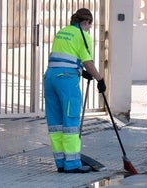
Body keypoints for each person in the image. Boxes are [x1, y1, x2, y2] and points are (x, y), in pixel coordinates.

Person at [43, 8, 106, 173]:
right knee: (71, 122)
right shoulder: (84, 36)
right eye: (89, 25)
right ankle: (72, 164)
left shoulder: (62, 32)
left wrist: (80, 71)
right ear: (86, 22)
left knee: (55, 123)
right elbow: (88, 62)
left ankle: (61, 163)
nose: (89, 29)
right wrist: (100, 79)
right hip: (66, 81)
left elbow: (65, 57)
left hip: (50, 78)